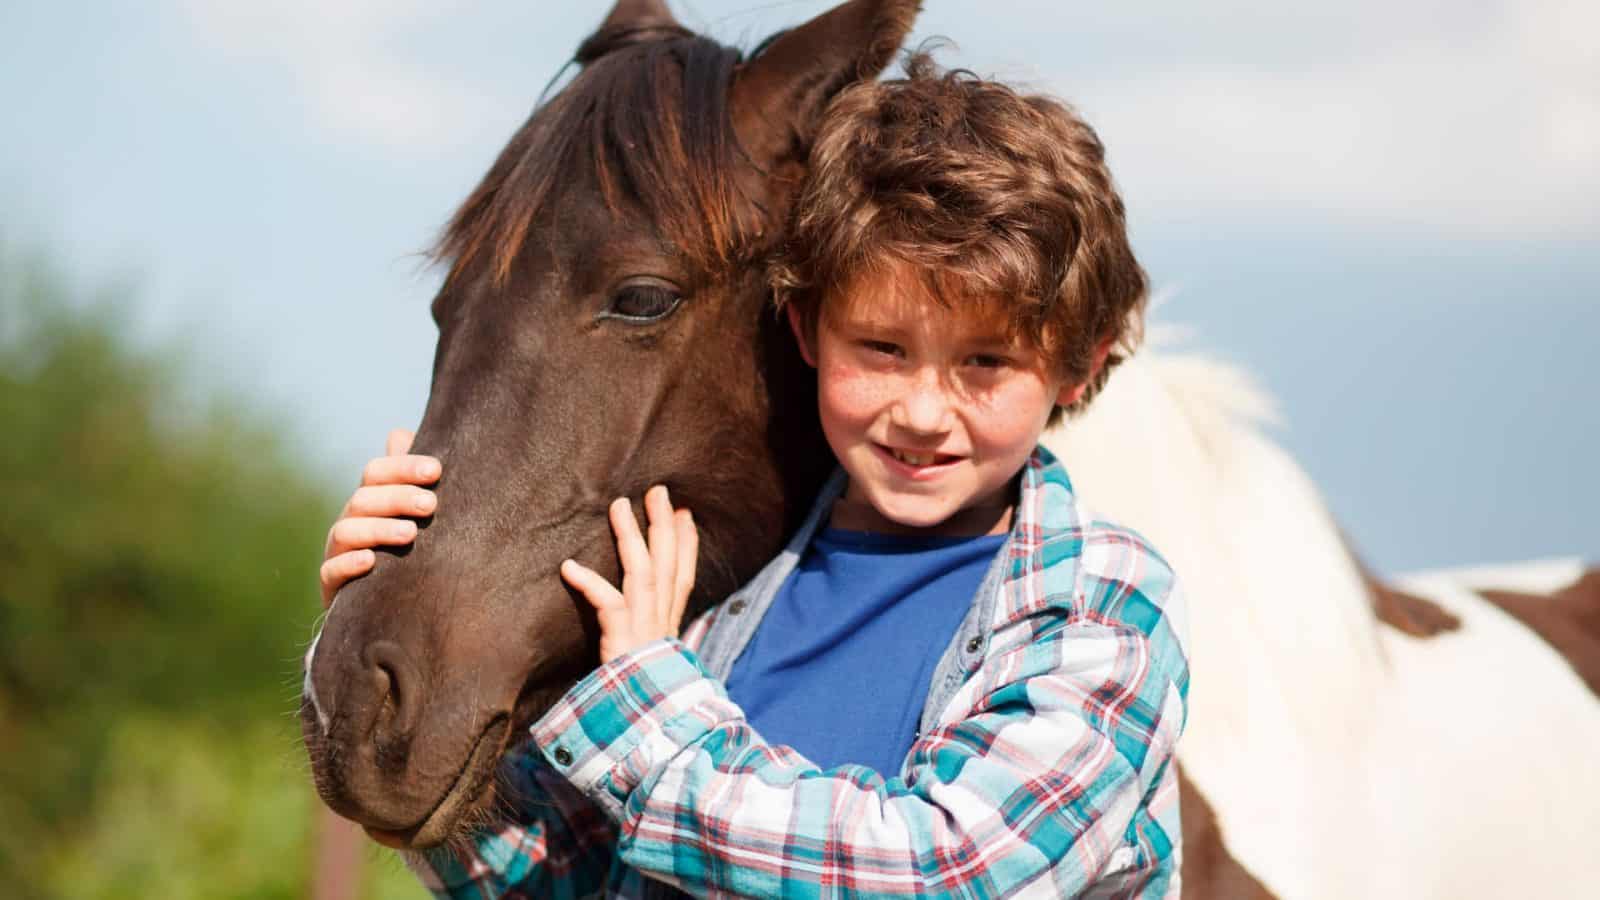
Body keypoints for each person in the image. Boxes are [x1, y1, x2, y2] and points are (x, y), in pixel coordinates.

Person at [320, 54, 1189, 899]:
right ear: (808, 331)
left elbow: (946, 872)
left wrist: (650, 726)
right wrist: (389, 625)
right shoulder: (715, 602)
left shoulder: (1097, 604)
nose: (925, 411)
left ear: (1077, 369)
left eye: (986, 362)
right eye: (882, 349)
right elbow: (570, 874)